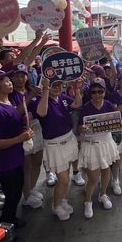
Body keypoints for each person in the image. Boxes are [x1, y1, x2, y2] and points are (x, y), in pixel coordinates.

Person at [0, 71, 31, 242]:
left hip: (15, 156)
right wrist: (19, 138)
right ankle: (4, 233)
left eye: (9, 80)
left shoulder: (8, 102)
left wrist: (22, 131)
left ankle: (11, 220)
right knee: (11, 195)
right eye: (5, 81)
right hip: (5, 162)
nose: (10, 82)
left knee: (16, 192)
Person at [33, 77, 83, 220]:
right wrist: (46, 90)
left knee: (65, 175)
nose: (57, 87)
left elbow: (76, 104)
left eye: (59, 84)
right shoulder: (40, 99)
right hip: (54, 144)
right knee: (64, 179)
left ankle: (62, 199)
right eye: (53, 85)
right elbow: (41, 113)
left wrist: (78, 88)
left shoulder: (62, 97)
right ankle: (55, 205)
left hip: (68, 138)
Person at [78, 78, 120, 218]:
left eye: (100, 91)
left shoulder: (108, 105)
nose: (97, 95)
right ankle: (87, 201)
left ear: (104, 92)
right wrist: (82, 128)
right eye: (94, 92)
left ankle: (103, 194)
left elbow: (116, 120)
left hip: (106, 143)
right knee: (93, 177)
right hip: (91, 144)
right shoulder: (85, 107)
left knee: (106, 170)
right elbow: (79, 127)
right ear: (90, 93)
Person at [7, 63, 44, 209]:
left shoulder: (32, 89)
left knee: (37, 162)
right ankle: (27, 195)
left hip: (37, 128)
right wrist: (30, 96)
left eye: (23, 75)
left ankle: (32, 188)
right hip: (22, 131)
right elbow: (16, 113)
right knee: (26, 165)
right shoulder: (11, 95)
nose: (20, 79)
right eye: (16, 76)